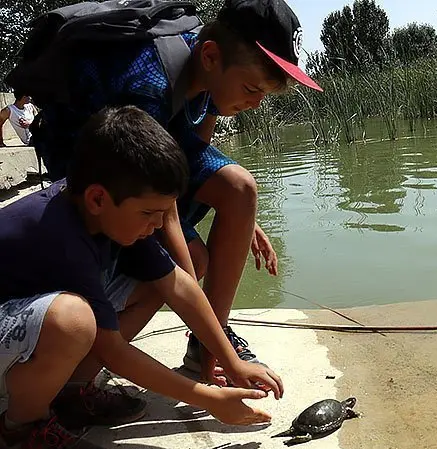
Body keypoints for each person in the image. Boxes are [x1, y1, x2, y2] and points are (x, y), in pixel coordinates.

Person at [29, 0, 322, 382]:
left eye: (263, 95)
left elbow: (196, 148)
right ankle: (77, 382)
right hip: (101, 165)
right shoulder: (148, 81)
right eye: (251, 89)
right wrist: (192, 294)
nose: (255, 103)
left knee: (240, 189)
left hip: (154, 149)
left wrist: (244, 219)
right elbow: (155, 186)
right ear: (212, 56)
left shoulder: (210, 71)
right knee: (192, 262)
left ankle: (206, 348)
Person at [0, 106, 283, 449]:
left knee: (154, 283)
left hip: (19, 322)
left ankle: (71, 392)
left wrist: (231, 361)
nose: (157, 225)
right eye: (151, 213)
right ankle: (19, 429)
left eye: (164, 214)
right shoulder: (60, 233)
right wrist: (210, 399)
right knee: (73, 321)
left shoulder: (111, 217)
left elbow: (179, 285)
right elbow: (112, 350)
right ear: (99, 199)